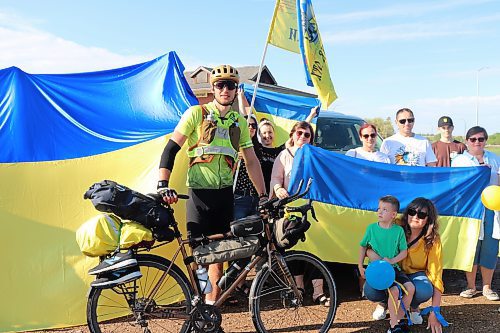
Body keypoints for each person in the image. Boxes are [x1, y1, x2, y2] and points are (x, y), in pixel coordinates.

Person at [157, 64, 267, 304]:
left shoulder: (239, 121)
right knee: (198, 257)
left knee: (219, 256)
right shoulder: (196, 114)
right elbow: (171, 149)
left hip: (225, 196)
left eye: (230, 85)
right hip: (199, 196)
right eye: (220, 85)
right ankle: (199, 300)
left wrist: (263, 195)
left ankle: (210, 309)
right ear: (213, 88)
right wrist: (162, 183)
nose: (225, 89)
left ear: (236, 89)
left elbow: (251, 161)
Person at [269, 121, 330, 306]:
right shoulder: (284, 155)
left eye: (307, 134)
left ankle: (318, 292)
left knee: (317, 249)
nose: (302, 137)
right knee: (294, 247)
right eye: (299, 133)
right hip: (290, 208)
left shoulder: (317, 157)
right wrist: (278, 188)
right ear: (292, 135)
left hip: (313, 209)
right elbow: (275, 178)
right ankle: (299, 289)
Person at [452, 126, 500, 301]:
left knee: (490, 247)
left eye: (481, 139)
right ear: (467, 141)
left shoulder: (495, 160)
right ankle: (471, 286)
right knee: (471, 247)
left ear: (485, 141)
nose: (477, 142)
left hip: (491, 210)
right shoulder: (459, 161)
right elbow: (455, 185)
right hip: (469, 210)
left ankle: (487, 287)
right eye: (473, 139)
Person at [359, 195, 413, 333]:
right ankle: (394, 327)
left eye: (384, 209)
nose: (379, 212)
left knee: (410, 288)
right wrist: (360, 265)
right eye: (379, 208)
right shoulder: (371, 228)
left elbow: (404, 252)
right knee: (394, 291)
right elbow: (363, 247)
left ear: (393, 214)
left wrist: (392, 261)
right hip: (379, 271)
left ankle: (397, 321)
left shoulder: (398, 231)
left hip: (394, 269)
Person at [399, 198, 445, 332]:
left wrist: (435, 311)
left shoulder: (433, 240)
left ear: (429, 220)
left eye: (422, 215)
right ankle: (383, 303)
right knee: (371, 290)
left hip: (415, 275)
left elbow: (436, 275)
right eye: (412, 212)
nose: (415, 217)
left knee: (425, 289)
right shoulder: (395, 228)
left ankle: (414, 306)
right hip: (394, 272)